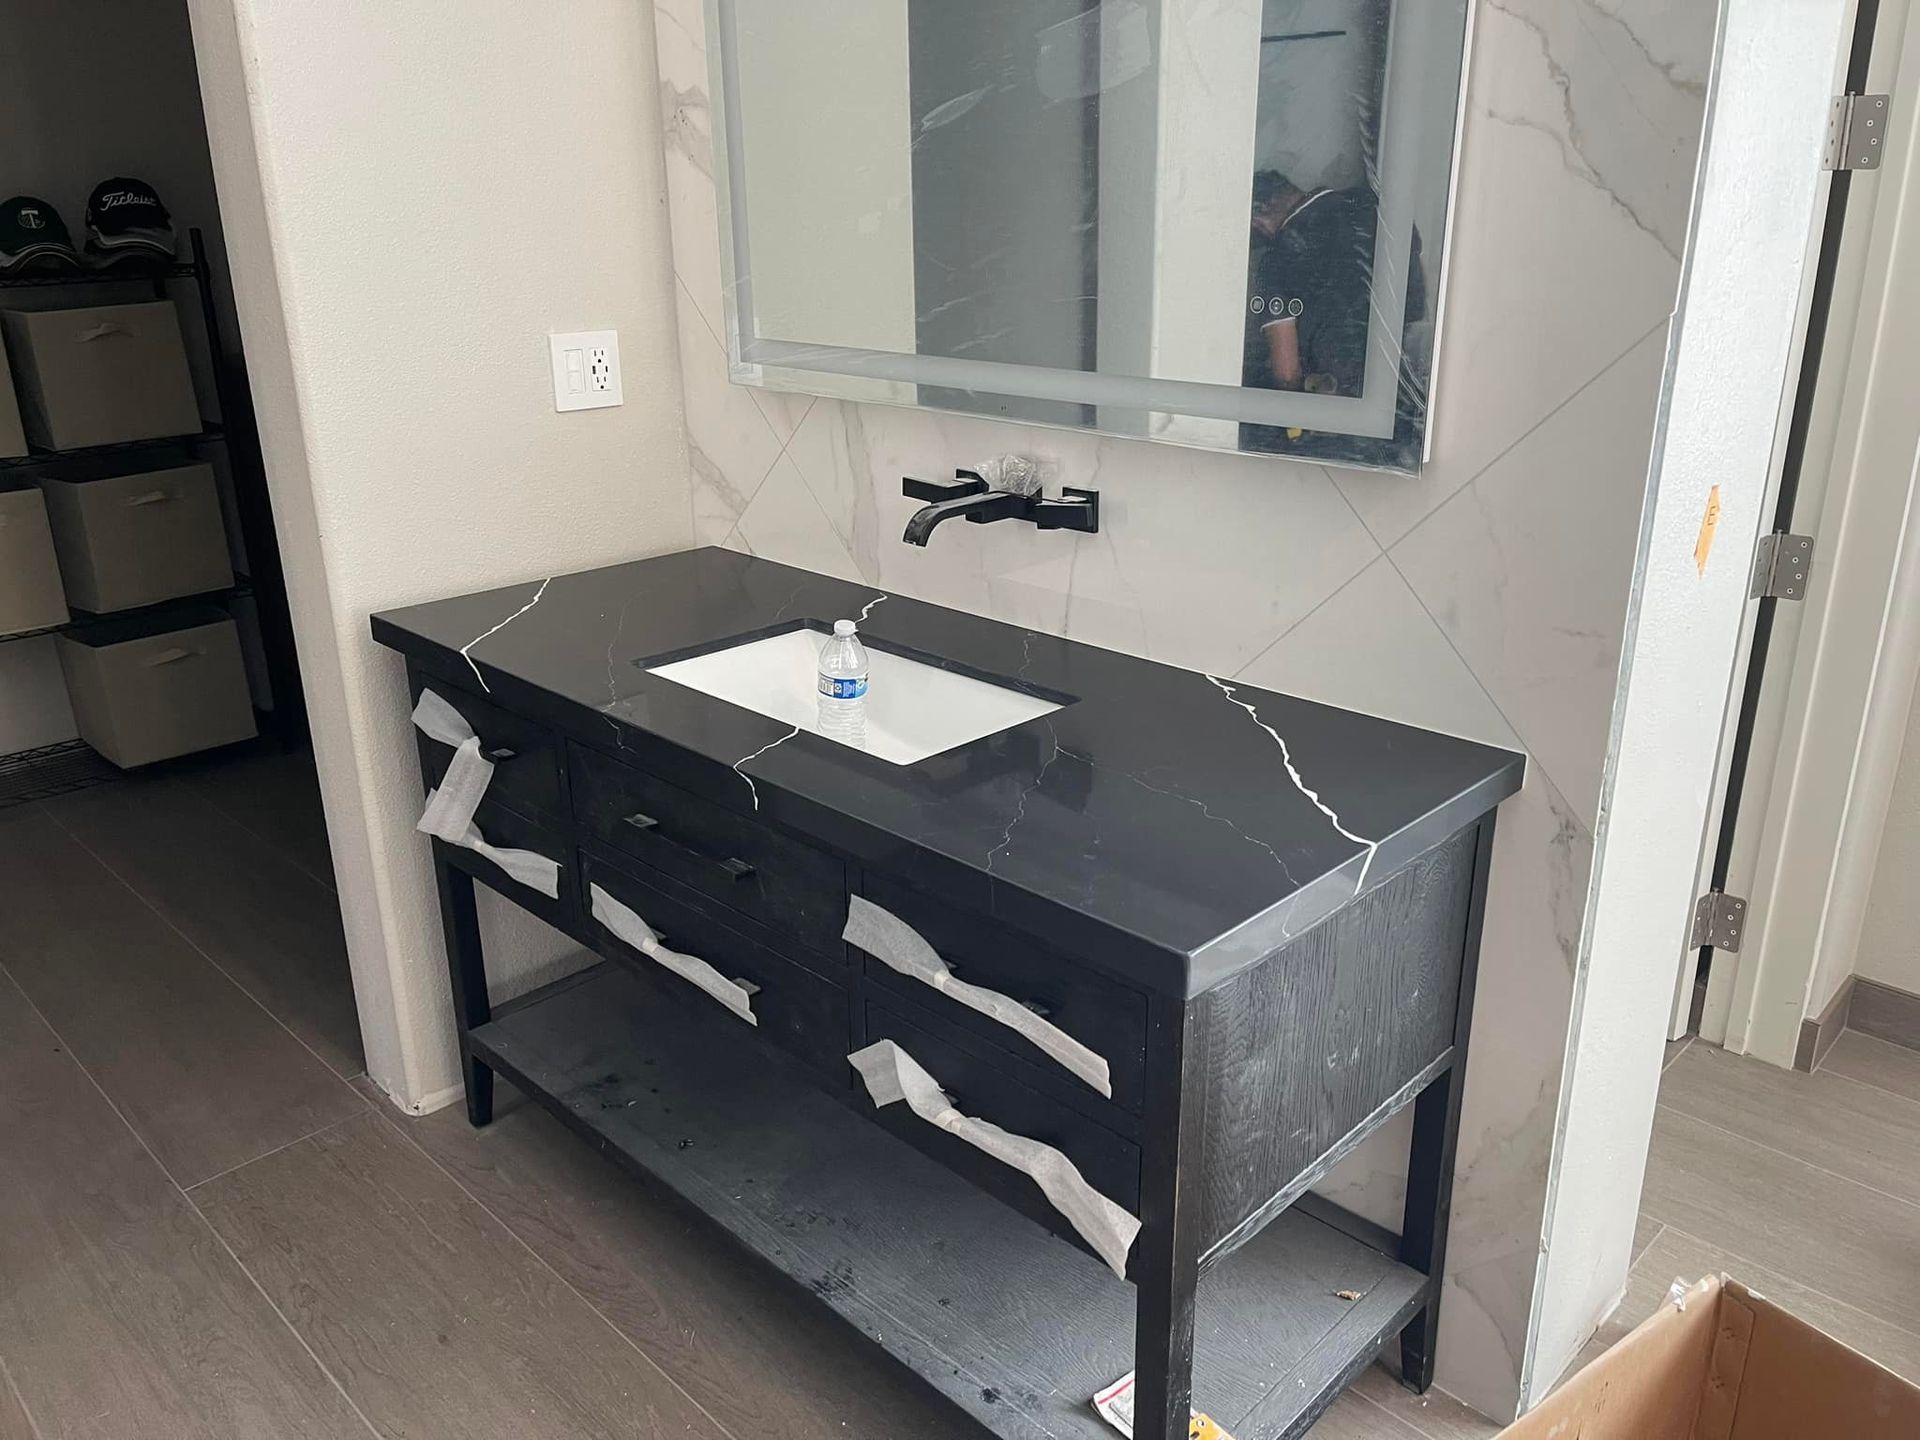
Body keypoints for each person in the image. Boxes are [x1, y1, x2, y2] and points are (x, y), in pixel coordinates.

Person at [1242, 170, 1425, 402]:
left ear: (1260, 209)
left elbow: (1287, 375)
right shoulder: (1372, 203)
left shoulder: (1276, 262)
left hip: (1349, 396)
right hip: (1413, 374)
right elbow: (1419, 283)